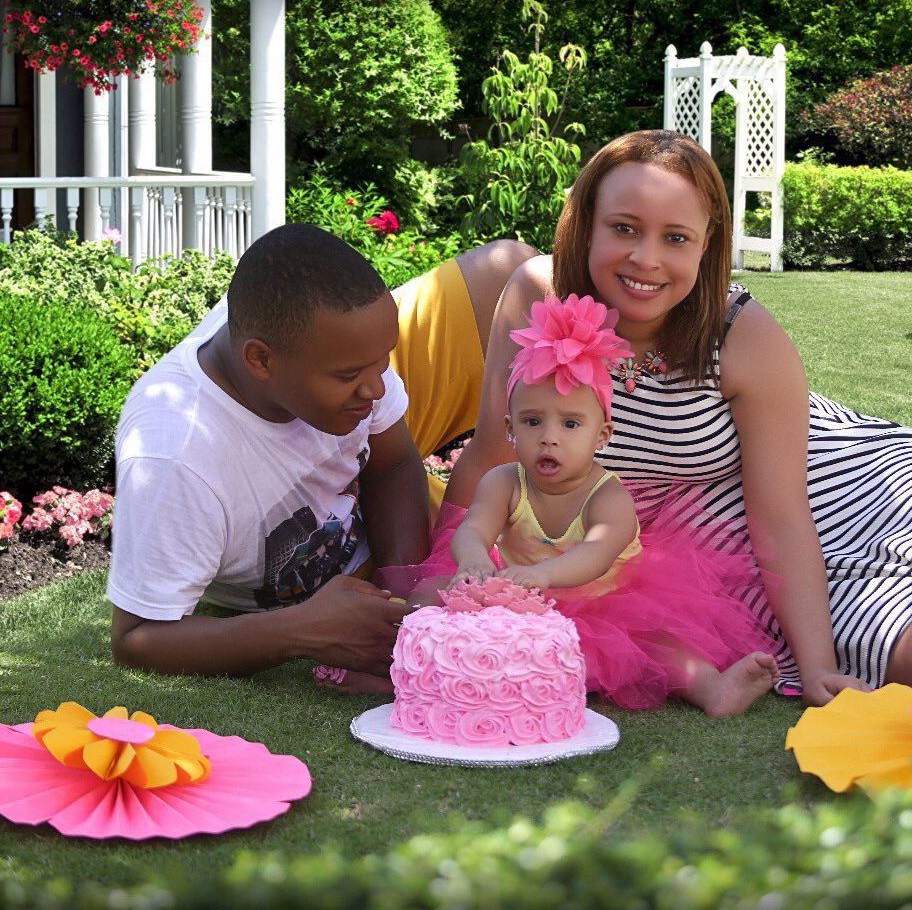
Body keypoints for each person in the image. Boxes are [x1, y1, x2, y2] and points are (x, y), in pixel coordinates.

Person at [446, 129, 912, 706]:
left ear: (706, 244)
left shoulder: (741, 333)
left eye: (676, 237)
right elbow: (492, 449)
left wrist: (816, 665)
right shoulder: (536, 294)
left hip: (836, 490)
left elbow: (784, 520)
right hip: (700, 546)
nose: (647, 259)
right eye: (624, 228)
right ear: (586, 221)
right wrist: (432, 581)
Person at [108, 223, 534, 677]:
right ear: (261, 360)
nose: (376, 387)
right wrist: (297, 631)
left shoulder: (337, 355)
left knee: (515, 271)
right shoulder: (177, 455)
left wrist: (407, 590)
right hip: (314, 586)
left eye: (383, 361)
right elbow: (136, 638)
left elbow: (391, 465)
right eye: (350, 375)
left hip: (375, 524)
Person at [335, 292, 780, 714]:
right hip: (516, 593)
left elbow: (597, 554)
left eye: (570, 424)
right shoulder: (504, 481)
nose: (549, 436)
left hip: (604, 599)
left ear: (601, 435)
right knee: (430, 594)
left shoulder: (608, 494)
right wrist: (472, 560)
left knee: (658, 640)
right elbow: (473, 527)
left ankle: (711, 687)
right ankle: (393, 668)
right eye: (532, 421)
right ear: (510, 428)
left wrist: (539, 576)